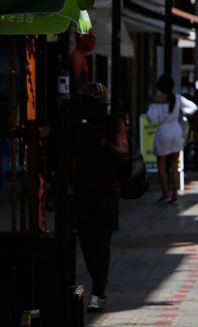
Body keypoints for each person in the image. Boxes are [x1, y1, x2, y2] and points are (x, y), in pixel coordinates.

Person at [62, 82, 129, 312]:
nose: (87, 108)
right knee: (87, 245)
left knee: (101, 243)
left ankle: (98, 292)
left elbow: (123, 154)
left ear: (100, 103)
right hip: (83, 193)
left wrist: (100, 140)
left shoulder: (114, 123)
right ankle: (100, 282)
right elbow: (65, 160)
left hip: (108, 192)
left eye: (90, 102)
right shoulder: (77, 128)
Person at [147, 74, 198, 204]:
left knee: (162, 166)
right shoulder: (177, 98)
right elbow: (193, 107)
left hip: (163, 131)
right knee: (174, 166)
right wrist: (183, 113)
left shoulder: (157, 101)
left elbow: (151, 118)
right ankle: (175, 195)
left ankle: (166, 193)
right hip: (176, 131)